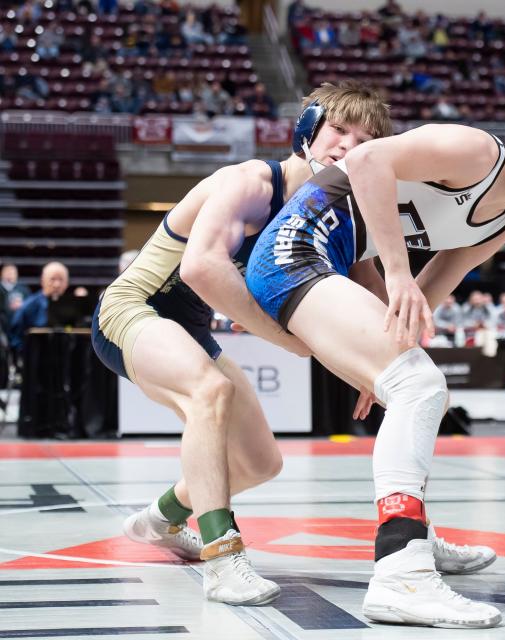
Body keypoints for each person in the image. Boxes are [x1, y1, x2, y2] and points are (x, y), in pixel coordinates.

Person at [244, 106, 505, 628]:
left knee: (412, 386)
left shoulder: (496, 228)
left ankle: (413, 535)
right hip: (295, 251)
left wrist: (380, 360)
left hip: (320, 260)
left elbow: (421, 302)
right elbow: (368, 158)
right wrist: (396, 273)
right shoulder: (476, 152)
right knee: (421, 387)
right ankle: (401, 575)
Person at [90, 83, 395, 607]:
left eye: (365, 138)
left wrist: (373, 367)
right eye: (340, 130)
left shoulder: (335, 214)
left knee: (260, 463)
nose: (349, 145)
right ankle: (223, 559)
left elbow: (368, 292)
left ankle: (160, 520)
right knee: (209, 392)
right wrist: (287, 341)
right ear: (308, 131)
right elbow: (201, 267)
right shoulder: (251, 183)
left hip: (190, 329)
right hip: (132, 309)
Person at [9, 261, 70, 353]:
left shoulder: (71, 306)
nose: (57, 285)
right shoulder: (28, 306)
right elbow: (15, 337)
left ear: (67, 283)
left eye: (61, 279)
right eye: (52, 279)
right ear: (42, 281)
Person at [0, 263, 31, 332]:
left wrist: (22, 305)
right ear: (1, 274)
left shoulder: (23, 290)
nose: (10, 274)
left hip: (19, 325)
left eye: (12, 272)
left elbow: (30, 306)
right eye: (7, 272)